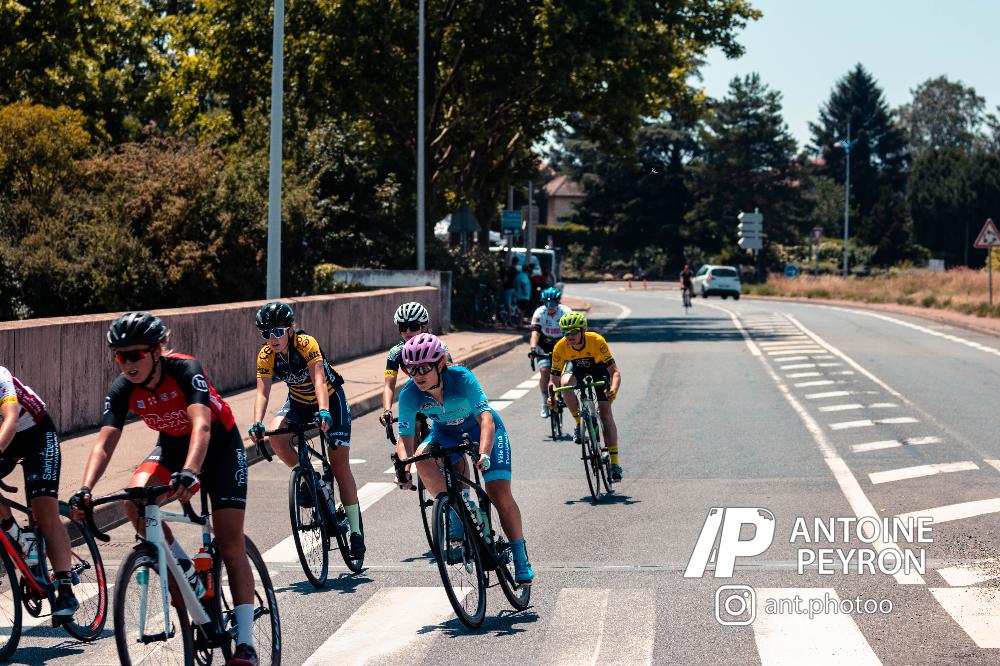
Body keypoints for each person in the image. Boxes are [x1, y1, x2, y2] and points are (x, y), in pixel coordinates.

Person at [71, 312, 259, 665]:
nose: (127, 364)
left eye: (135, 355)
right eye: (120, 356)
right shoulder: (123, 388)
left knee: (229, 541)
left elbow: (202, 425)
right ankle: (186, 570)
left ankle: (246, 644)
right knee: (135, 500)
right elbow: (104, 443)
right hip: (173, 446)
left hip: (219, 446)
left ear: (157, 351)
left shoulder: (185, 369)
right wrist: (85, 488)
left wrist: (191, 471)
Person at [393, 333, 534, 584]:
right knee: (420, 458)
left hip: (481, 431)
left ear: (440, 364)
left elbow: (486, 418)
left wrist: (484, 452)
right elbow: (405, 440)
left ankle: (520, 556)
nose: (418, 375)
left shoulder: (461, 377)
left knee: (498, 492)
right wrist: (403, 467)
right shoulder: (409, 394)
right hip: (446, 433)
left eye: (424, 368)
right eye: (411, 369)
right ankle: (457, 511)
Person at [247, 301, 364, 558]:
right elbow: (262, 392)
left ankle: (356, 531)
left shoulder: (306, 344)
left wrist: (323, 411)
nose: (272, 338)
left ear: (290, 330)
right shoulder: (266, 355)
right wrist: (257, 422)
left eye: (277, 332)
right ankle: (309, 478)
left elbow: (319, 380)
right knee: (276, 437)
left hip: (330, 399)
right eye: (266, 333)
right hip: (298, 402)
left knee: (339, 465)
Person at [0, 367, 78, 619]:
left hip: (35, 436)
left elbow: (10, 420)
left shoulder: (0, 376)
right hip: (5, 443)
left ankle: (65, 588)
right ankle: (20, 538)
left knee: (44, 511)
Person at [548, 312, 625, 481]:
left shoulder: (596, 340)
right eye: (565, 332)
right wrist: (552, 396)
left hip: (598, 371)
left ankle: (615, 463)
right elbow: (553, 380)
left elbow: (615, 372)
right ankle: (578, 422)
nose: (569, 336)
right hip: (576, 370)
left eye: (574, 331)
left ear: (583, 330)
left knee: (605, 413)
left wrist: (613, 389)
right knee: (564, 383)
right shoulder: (560, 346)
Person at [380, 302, 450, 430]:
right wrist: (387, 410)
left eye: (413, 326)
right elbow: (388, 386)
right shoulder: (396, 353)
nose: (408, 331)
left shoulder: (438, 347)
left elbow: (449, 375)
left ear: (423, 327)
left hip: (439, 391)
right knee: (412, 428)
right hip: (417, 390)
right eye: (403, 327)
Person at [529, 288, 573, 418]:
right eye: (547, 303)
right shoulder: (539, 312)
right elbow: (535, 333)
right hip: (545, 344)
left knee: (564, 371)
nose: (550, 306)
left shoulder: (566, 312)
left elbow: (572, 332)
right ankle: (544, 402)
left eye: (553, 303)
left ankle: (563, 393)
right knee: (544, 371)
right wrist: (533, 349)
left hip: (562, 343)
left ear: (558, 302)